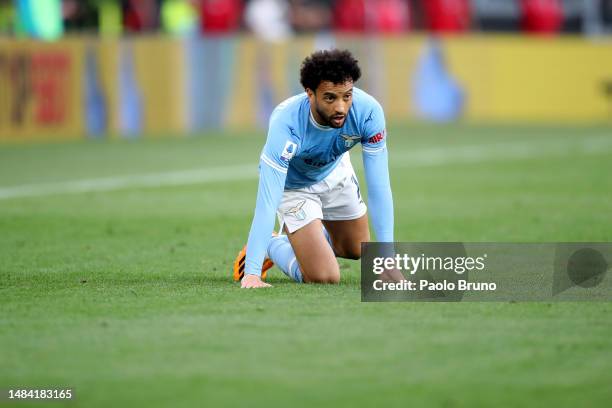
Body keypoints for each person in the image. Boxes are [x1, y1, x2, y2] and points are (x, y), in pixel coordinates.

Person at [233, 49, 394, 288]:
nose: (341, 107)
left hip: (334, 171)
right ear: (310, 93)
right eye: (330, 98)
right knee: (325, 276)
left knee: (356, 248)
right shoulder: (286, 124)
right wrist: (252, 274)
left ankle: (307, 240)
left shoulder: (368, 113)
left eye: (347, 96)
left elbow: (379, 185)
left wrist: (387, 263)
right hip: (293, 187)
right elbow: (267, 200)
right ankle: (272, 244)